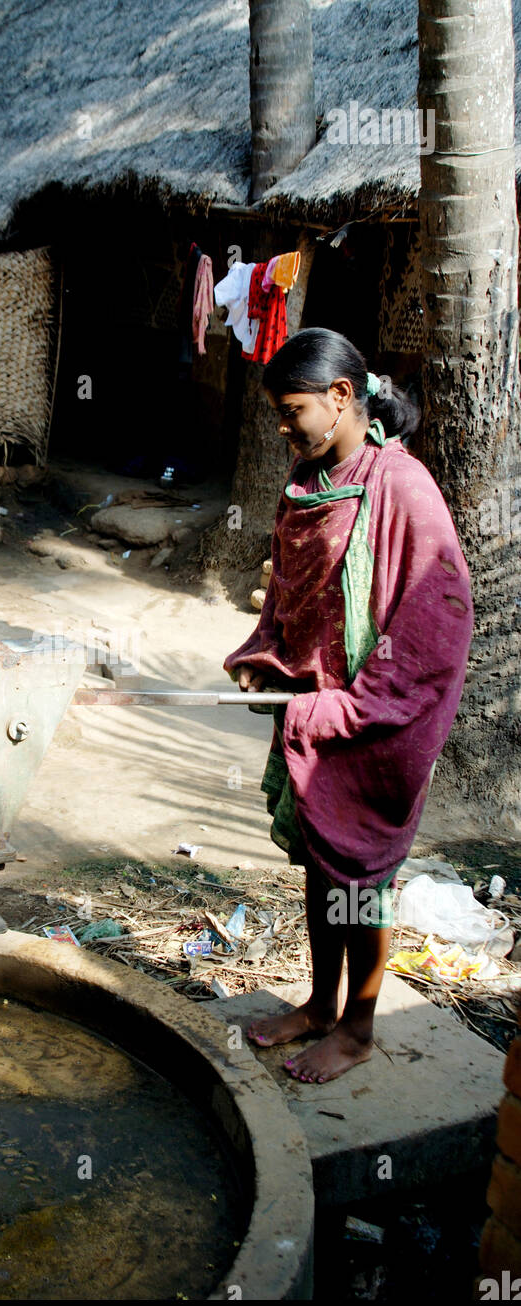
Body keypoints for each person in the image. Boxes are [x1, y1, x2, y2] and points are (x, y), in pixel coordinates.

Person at [223, 328, 473, 1083]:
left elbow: (442, 613)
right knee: (320, 861)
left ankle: (359, 1030)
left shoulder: (401, 486)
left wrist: (358, 705)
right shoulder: (302, 486)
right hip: (312, 710)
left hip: (372, 717)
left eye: (291, 409)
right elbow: (288, 604)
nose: (282, 426)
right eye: (275, 412)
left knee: (359, 880)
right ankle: (320, 1005)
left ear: (341, 398)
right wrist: (261, 661)